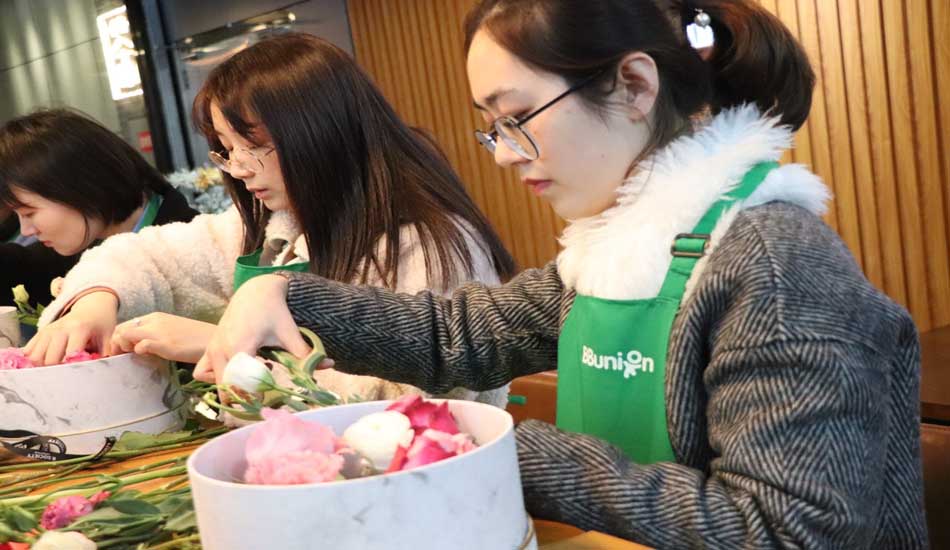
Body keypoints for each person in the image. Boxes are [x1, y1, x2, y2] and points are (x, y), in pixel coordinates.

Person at [196, 1, 926, 548]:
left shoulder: (773, 265)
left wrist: (510, 454)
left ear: (634, 85)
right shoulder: (622, 245)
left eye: (517, 118)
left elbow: (786, 530)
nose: (502, 153)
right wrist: (284, 294)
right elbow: (462, 335)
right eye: (491, 126)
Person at [27, 33, 516, 406]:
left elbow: (406, 404)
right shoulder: (278, 228)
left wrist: (225, 351)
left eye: (254, 146)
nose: (239, 170)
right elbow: (146, 254)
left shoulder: (427, 243)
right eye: (227, 150)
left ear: (319, 134)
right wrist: (95, 301)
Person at [0, 109, 197, 309]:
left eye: (29, 213)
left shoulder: (193, 250)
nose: (26, 230)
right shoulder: (82, 244)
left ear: (81, 186)